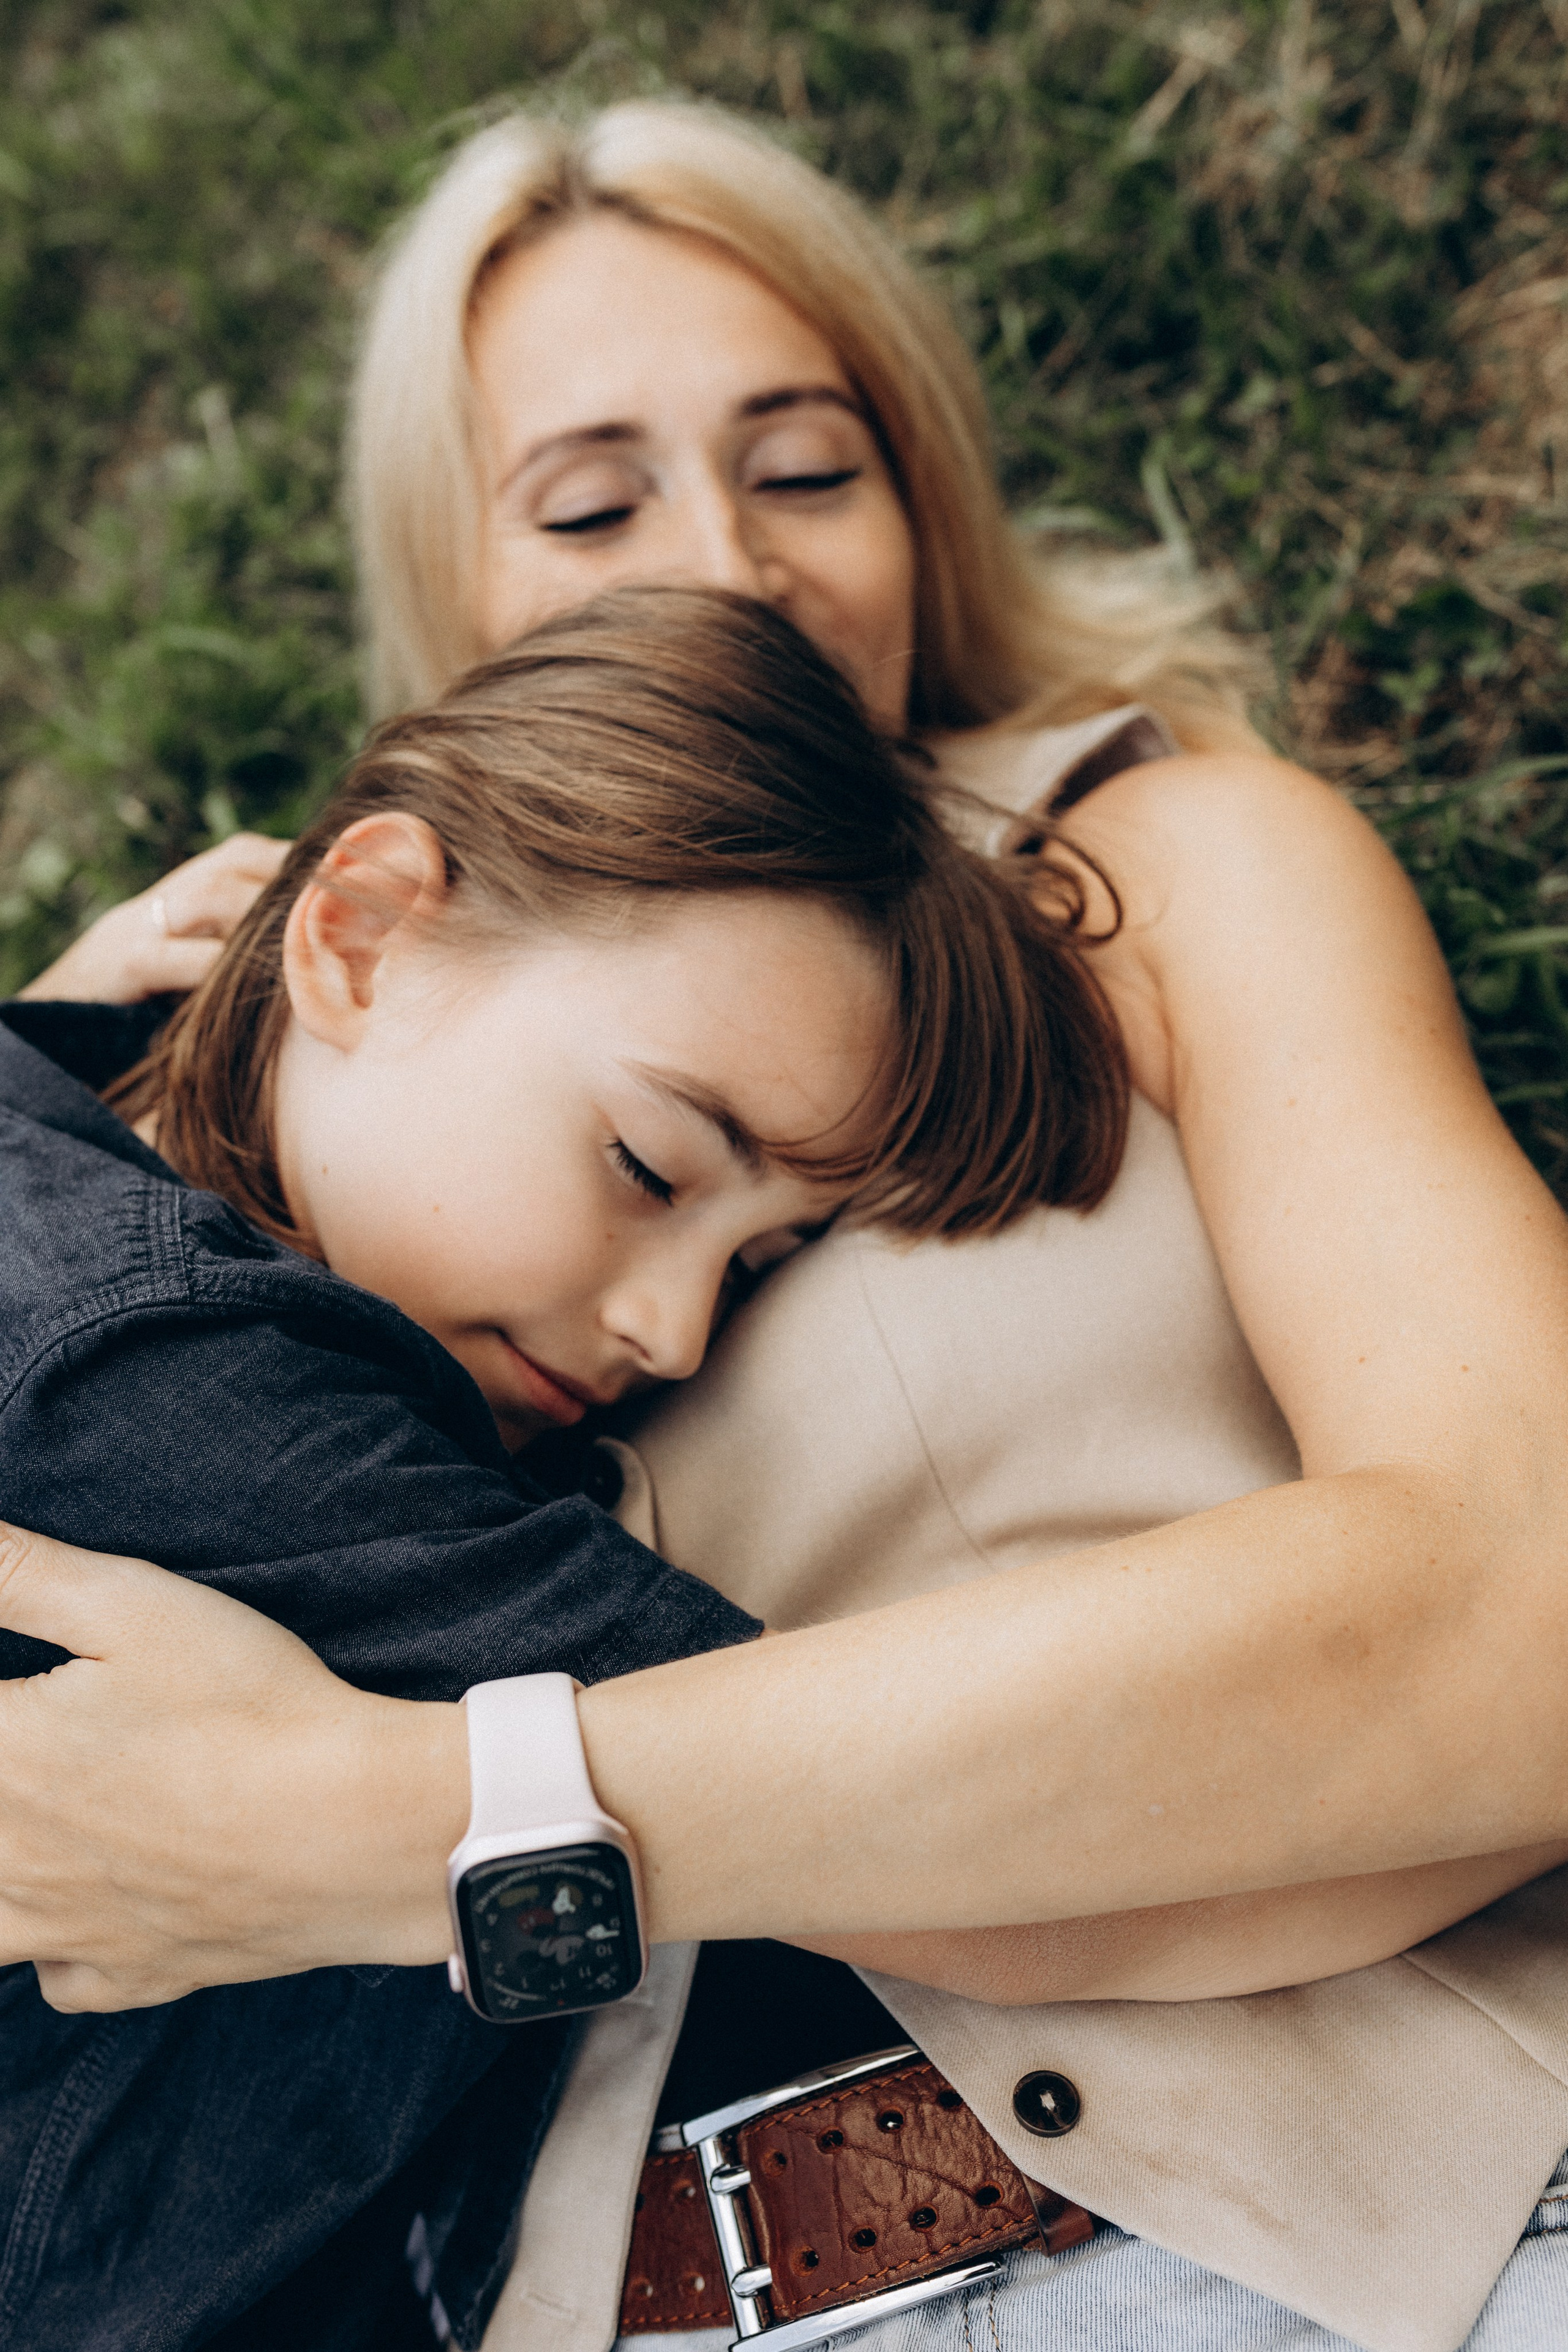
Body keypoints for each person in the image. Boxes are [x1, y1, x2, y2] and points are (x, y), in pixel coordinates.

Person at [7, 98, 1568, 2352]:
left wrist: (426, 1822)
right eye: (592, 497)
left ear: (923, 502)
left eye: (806, 465)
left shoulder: (1167, 870)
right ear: (459, 592)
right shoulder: (324, 1046)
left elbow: (1531, 1575)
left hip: (1290, 2249)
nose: (723, 561)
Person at [0, 582, 1133, 2348]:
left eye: (761, 1266)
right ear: (359, 935)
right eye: (651, 1165)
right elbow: (964, 1852)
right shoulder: (184, 1399)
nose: (678, 1336)